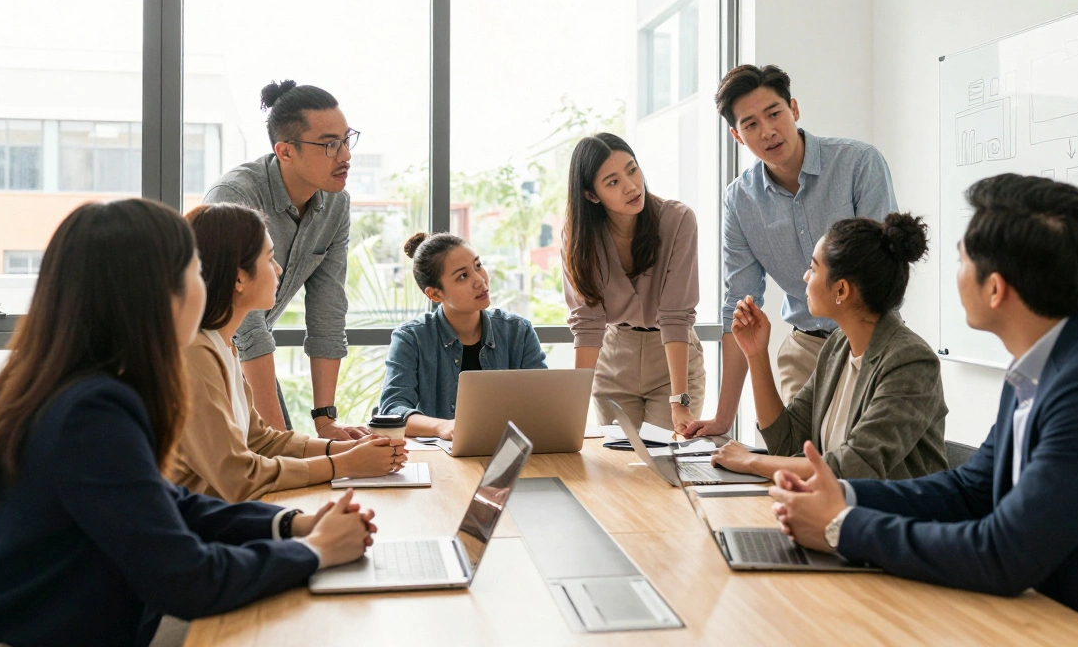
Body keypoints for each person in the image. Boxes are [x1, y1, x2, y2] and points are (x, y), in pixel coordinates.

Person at [770, 175, 1078, 647]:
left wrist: (842, 527)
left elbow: (1004, 553)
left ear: (995, 289)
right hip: (1057, 620)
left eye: (961, 260)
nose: (955, 274)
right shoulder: (1042, 363)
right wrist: (844, 495)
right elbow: (971, 491)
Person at [0, 200, 376, 647]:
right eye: (194, 269)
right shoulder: (92, 412)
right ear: (156, 292)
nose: (205, 284)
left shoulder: (84, 386)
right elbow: (187, 578)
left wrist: (291, 525)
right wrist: (315, 550)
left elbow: (171, 504)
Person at [684, 65, 897, 438]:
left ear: (794, 109)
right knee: (796, 460)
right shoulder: (740, 201)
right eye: (750, 124)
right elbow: (739, 305)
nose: (766, 131)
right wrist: (722, 419)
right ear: (737, 135)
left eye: (774, 113)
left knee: (857, 468)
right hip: (804, 351)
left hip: (871, 340)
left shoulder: (858, 163)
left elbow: (881, 269)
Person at [166, 203, 407, 502]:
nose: (279, 269)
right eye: (270, 259)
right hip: (199, 531)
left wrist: (348, 449)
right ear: (239, 278)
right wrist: (343, 465)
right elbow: (238, 476)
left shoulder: (223, 345)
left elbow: (261, 441)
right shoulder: (193, 355)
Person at [710, 213, 948, 481]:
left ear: (842, 290)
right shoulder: (838, 346)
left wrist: (752, 461)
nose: (804, 277)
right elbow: (787, 442)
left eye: (813, 268)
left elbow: (854, 467)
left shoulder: (911, 362)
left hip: (893, 518)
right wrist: (756, 354)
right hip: (838, 511)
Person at [204, 79, 363, 439]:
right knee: (266, 462)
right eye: (329, 144)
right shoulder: (235, 196)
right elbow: (245, 321)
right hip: (201, 354)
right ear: (285, 151)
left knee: (287, 458)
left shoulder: (335, 204)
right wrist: (279, 439)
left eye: (346, 139)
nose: (345, 155)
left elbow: (328, 308)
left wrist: (326, 420)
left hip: (243, 353)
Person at [562, 133, 704, 435]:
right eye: (612, 182)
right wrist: (572, 409)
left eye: (632, 169)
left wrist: (679, 400)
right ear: (591, 195)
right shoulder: (579, 239)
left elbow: (675, 316)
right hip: (614, 359)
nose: (630, 186)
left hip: (671, 358)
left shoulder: (678, 220)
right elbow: (587, 323)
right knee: (618, 468)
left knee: (665, 467)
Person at [379, 232, 547, 439]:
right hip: (440, 460)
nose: (480, 280)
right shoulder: (411, 338)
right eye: (463, 276)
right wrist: (442, 427)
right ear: (434, 294)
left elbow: (542, 401)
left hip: (505, 452)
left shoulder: (518, 331)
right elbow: (392, 410)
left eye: (478, 266)